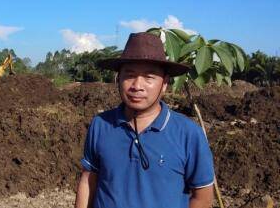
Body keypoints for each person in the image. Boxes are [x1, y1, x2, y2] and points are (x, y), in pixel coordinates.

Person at [75, 32, 215, 208]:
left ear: (164, 83)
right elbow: (89, 181)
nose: (137, 86)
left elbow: (202, 197)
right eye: (130, 75)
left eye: (149, 77)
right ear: (118, 79)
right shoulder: (101, 125)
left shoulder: (188, 134)